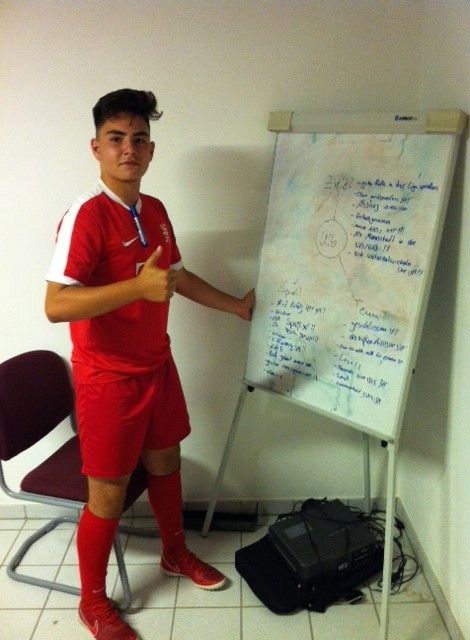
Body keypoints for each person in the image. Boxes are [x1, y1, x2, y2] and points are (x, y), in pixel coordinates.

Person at [44, 88, 255, 640]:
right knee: (108, 494)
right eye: (116, 138)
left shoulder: (154, 209)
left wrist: (235, 306)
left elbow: (175, 279)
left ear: (151, 150)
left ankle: (174, 553)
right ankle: (93, 602)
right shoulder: (86, 215)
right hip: (107, 378)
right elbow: (56, 304)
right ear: (96, 148)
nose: (128, 149)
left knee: (166, 462)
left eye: (139, 139)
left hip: (157, 366)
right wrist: (135, 288)